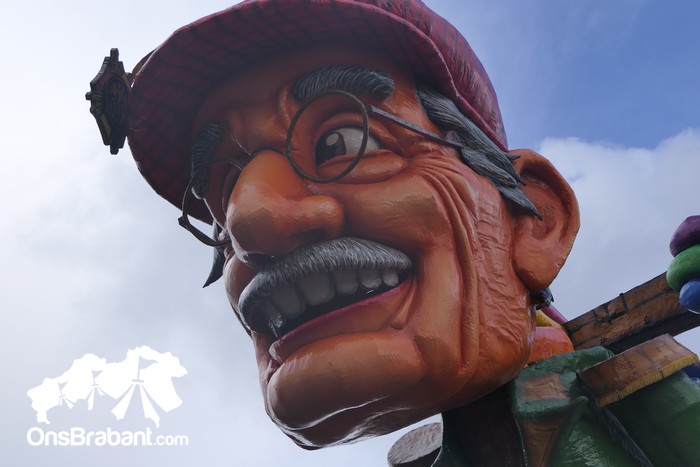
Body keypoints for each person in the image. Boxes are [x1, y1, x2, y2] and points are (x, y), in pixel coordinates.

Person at [86, 1, 700, 465]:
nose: (249, 222)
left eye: (342, 141)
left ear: (535, 219)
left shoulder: (649, 390)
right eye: (222, 199)